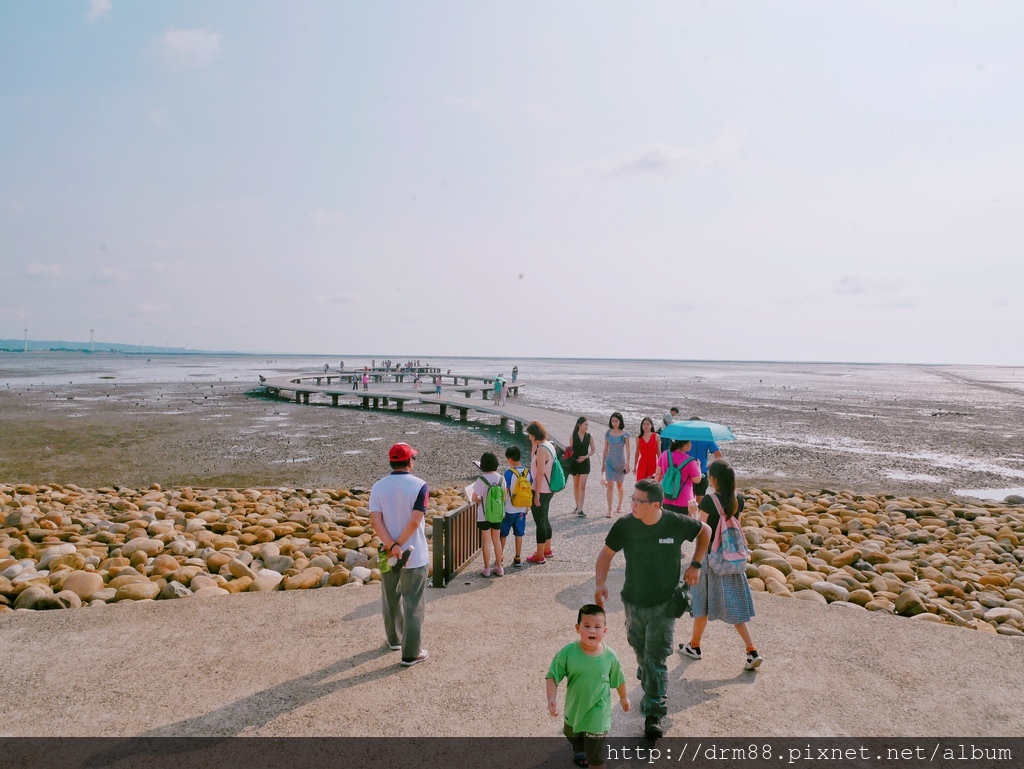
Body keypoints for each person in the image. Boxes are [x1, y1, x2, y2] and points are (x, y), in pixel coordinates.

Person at [595, 479, 711, 739]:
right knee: (639, 647)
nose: (633, 504)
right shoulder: (625, 525)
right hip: (633, 601)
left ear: (656, 505)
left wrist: (696, 564)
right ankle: (648, 674)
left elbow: (706, 530)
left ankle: (654, 712)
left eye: (638, 500)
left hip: (664, 603)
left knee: (656, 656)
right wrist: (600, 583)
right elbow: (605, 555)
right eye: (632, 499)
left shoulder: (675, 522)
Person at [680, 459, 762, 671]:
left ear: (715, 478)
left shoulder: (709, 500)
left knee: (701, 604)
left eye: (709, 474)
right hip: (730, 560)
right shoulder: (738, 499)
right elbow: (737, 526)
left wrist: (692, 513)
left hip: (710, 560)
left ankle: (696, 646)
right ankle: (751, 650)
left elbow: (701, 530)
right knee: (734, 607)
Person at [368, 442, 430, 667]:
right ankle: (410, 653)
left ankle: (394, 639)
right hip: (414, 554)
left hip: (387, 554)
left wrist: (391, 545)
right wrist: (400, 544)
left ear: (391, 462)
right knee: (414, 603)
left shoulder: (378, 487)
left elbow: (376, 521)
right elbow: (415, 521)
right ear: (410, 462)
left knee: (390, 597)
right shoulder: (420, 486)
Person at [546, 604, 630, 768]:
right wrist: (551, 698)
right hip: (575, 710)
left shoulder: (610, 656)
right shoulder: (568, 653)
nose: (592, 630)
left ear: (604, 631)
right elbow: (552, 675)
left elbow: (619, 679)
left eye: (597, 627)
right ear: (577, 628)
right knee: (573, 735)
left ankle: (591, 756)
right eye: (587, 626)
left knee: (596, 757)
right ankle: (579, 747)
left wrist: (624, 697)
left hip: (598, 715)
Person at [526, 421, 556, 564]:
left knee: (540, 522)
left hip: (541, 489)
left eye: (530, 435)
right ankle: (547, 549)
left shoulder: (542, 449)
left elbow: (539, 473)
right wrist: (534, 445)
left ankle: (539, 555)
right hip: (549, 488)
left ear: (534, 435)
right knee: (544, 518)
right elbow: (535, 460)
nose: (529, 437)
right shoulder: (548, 445)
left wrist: (536, 494)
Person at [471, 452, 505, 577]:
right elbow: (504, 497)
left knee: (486, 541)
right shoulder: (501, 478)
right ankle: (499, 567)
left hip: (483, 514)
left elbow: (474, 498)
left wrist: (482, 501)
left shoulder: (481, 480)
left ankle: (486, 569)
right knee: (497, 540)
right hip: (497, 514)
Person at [501, 446, 531, 567]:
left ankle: (500, 556)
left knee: (503, 534)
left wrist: (502, 507)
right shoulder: (528, 472)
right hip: (522, 509)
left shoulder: (508, 473)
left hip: (509, 509)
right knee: (519, 534)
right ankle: (518, 557)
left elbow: (505, 492)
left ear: (510, 459)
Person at [655, 438, 702, 515]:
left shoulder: (665, 454)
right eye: (689, 442)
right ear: (684, 445)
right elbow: (697, 480)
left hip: (666, 497)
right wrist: (698, 466)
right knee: (682, 525)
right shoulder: (690, 461)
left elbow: (657, 475)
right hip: (684, 500)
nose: (691, 444)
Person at [686, 416, 723, 504]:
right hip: (701, 471)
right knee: (700, 498)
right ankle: (698, 517)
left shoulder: (685, 438)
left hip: (686, 470)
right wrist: (710, 466)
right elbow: (718, 455)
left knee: (687, 497)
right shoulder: (707, 438)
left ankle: (689, 516)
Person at [601, 412, 631, 517]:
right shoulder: (608, 433)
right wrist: (603, 463)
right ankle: (610, 509)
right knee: (610, 485)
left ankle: (620, 503)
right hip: (609, 461)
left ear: (620, 421)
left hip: (620, 462)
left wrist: (627, 464)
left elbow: (628, 450)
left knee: (619, 484)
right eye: (612, 421)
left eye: (616, 421)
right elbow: (605, 449)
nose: (614, 423)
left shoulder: (625, 434)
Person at [568, 417, 596, 518]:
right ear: (579, 425)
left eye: (587, 425)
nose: (587, 427)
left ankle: (580, 509)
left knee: (582, 486)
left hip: (585, 462)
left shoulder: (589, 436)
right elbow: (570, 449)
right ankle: (577, 505)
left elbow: (593, 449)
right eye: (585, 424)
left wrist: (586, 456)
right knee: (576, 485)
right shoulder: (572, 436)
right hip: (575, 462)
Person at [633, 417, 660, 481]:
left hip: (653, 463)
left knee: (652, 484)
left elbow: (659, 452)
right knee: (641, 484)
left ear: (651, 425)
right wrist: (635, 466)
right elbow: (637, 453)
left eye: (647, 424)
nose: (645, 426)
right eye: (644, 424)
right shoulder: (638, 438)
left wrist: (660, 466)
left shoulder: (656, 436)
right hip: (642, 463)